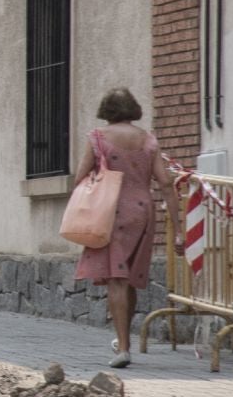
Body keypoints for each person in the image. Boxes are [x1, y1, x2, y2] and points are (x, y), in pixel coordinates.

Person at [72, 88, 181, 368]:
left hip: (112, 211)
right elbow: (166, 183)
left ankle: (122, 348)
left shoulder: (98, 138)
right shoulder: (148, 140)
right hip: (143, 211)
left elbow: (80, 176)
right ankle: (126, 342)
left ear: (106, 110)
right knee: (130, 278)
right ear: (133, 109)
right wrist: (178, 227)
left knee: (116, 280)